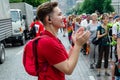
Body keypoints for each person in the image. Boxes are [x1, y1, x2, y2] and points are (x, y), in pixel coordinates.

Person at [36, 2, 90, 80]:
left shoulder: (51, 39)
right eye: (59, 15)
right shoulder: (47, 42)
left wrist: (75, 44)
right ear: (49, 19)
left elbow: (65, 59)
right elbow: (68, 69)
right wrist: (78, 45)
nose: (63, 17)